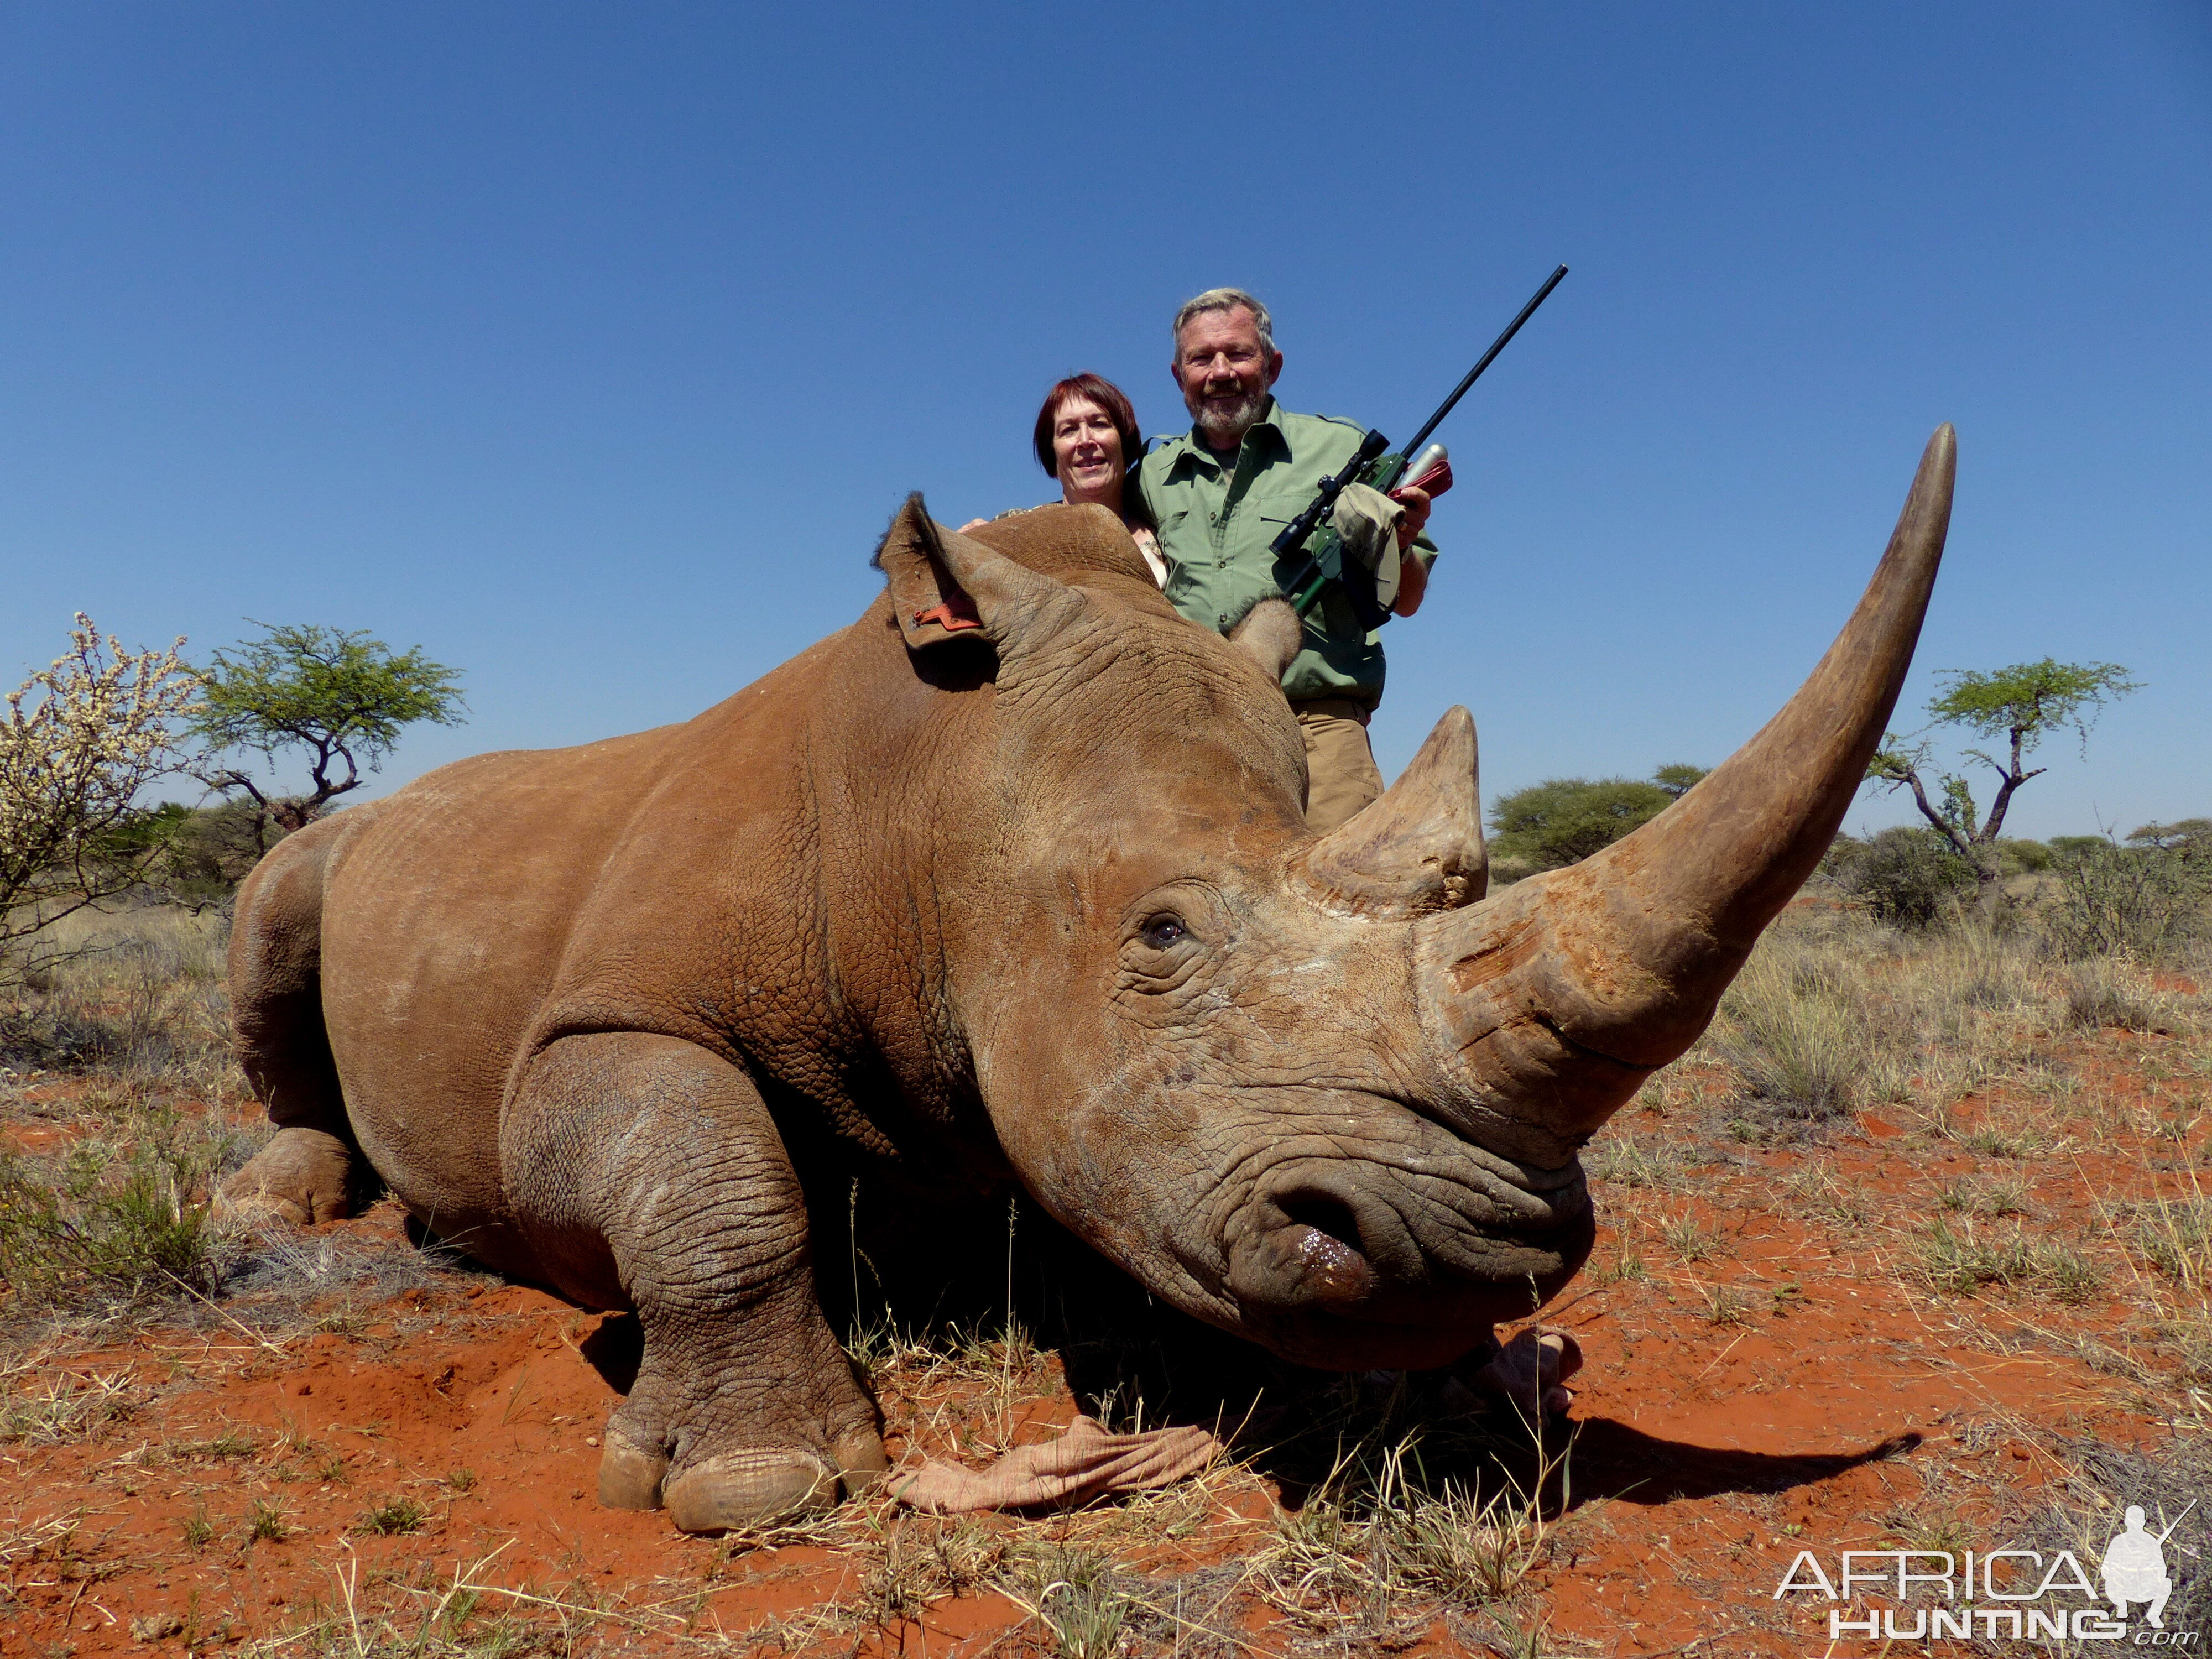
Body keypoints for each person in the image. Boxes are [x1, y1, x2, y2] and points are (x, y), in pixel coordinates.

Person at [1135, 287, 1437, 833]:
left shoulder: (1341, 448)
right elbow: (1083, 516)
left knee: (1342, 910)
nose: (1220, 372)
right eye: (1201, 358)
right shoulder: (1151, 476)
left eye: (1238, 353)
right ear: (1178, 376)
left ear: (1272, 365)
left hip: (1316, 734)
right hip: (1195, 739)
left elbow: (1409, 598)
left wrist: (1401, 534)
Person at [964, 373, 1164, 583]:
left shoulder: (1168, 541)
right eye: (1069, 430)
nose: (1085, 440)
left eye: (1099, 424)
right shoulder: (1013, 533)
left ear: (1124, 440)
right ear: (1053, 453)